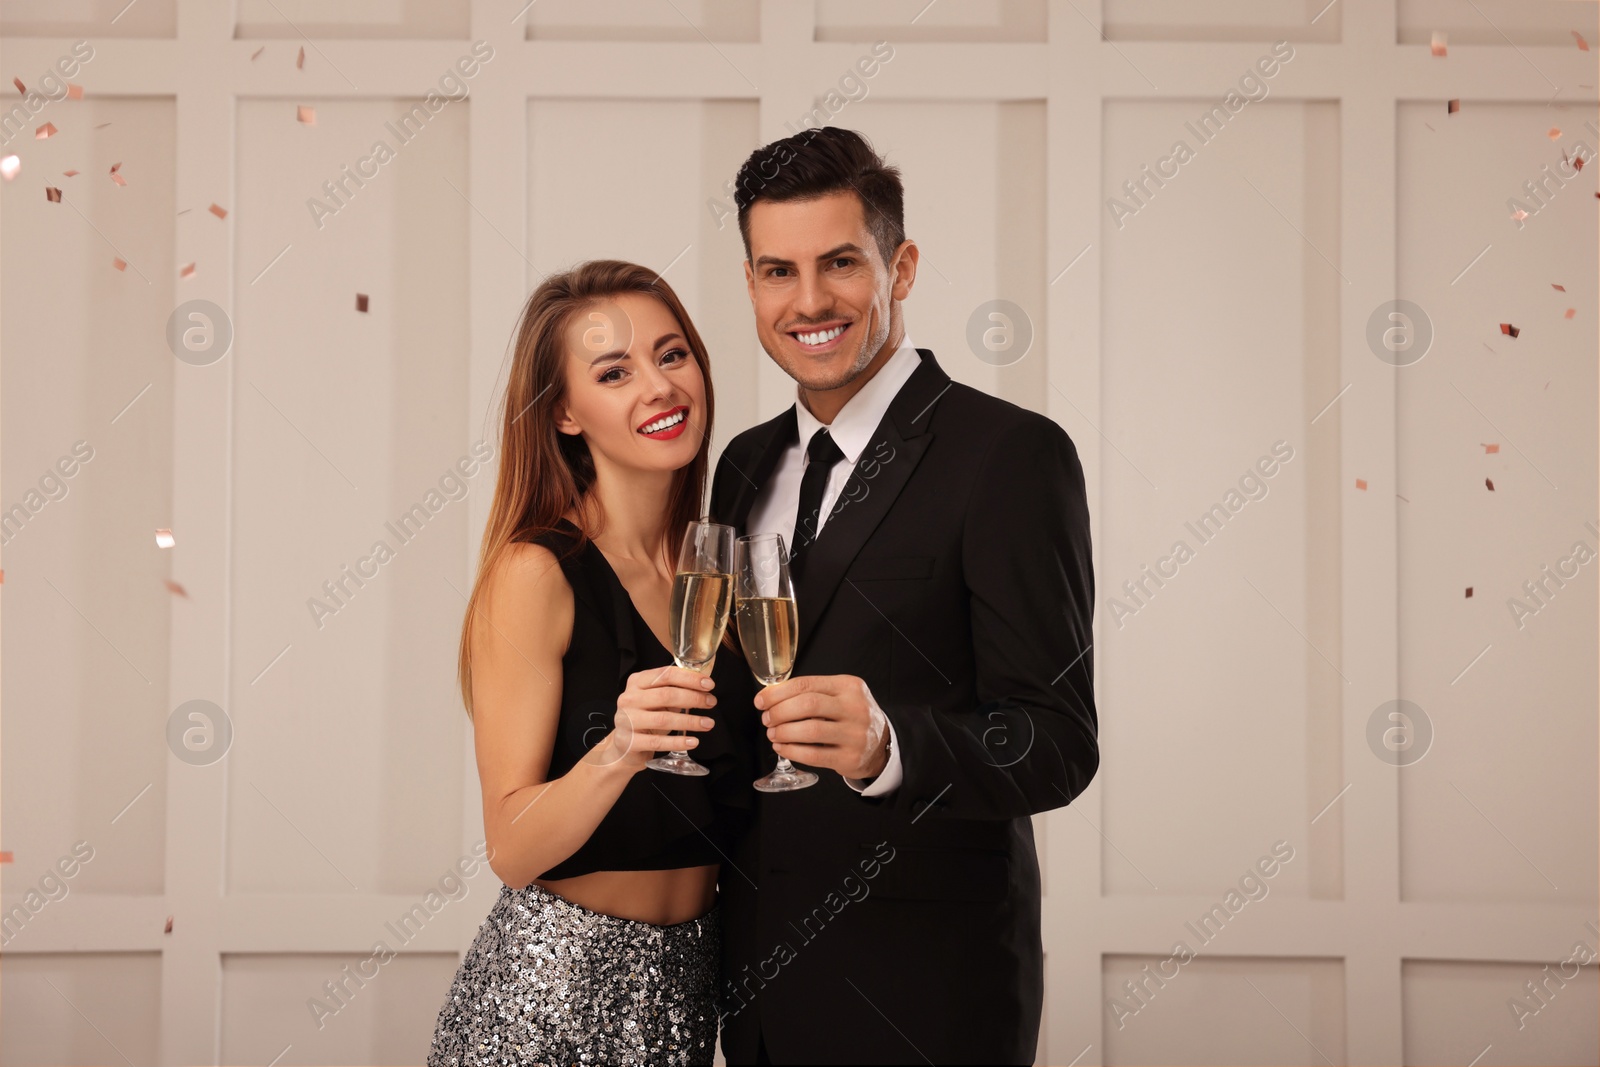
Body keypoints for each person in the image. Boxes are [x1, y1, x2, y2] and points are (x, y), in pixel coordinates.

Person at [709, 126, 1100, 1064]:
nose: (808, 301)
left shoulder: (1008, 456)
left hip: (928, 994)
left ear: (902, 265)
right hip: (757, 994)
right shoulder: (740, 465)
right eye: (776, 270)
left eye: (840, 262)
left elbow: (1056, 741)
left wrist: (892, 746)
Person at [428, 260, 757, 1067]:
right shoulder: (538, 572)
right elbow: (510, 845)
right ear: (566, 413)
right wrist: (620, 748)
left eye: (672, 354)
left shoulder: (718, 571)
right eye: (615, 372)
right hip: (548, 1006)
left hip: (685, 1006)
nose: (659, 386)